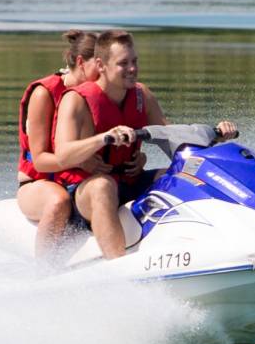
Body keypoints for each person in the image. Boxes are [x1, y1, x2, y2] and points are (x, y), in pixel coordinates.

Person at [52, 29, 237, 259]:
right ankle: (118, 267)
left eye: (134, 61)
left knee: (182, 175)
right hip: (86, 193)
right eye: (123, 63)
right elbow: (62, 155)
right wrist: (104, 137)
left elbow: (173, 139)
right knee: (103, 187)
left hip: (130, 181)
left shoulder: (142, 96)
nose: (132, 68)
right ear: (101, 65)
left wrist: (215, 136)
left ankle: (218, 242)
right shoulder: (76, 100)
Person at [15, 29, 106, 256]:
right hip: (39, 184)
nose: (104, 72)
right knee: (58, 201)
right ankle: (42, 271)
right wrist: (80, 161)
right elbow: (40, 161)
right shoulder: (44, 94)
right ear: (80, 62)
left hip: (80, 182)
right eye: (99, 65)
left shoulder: (99, 94)